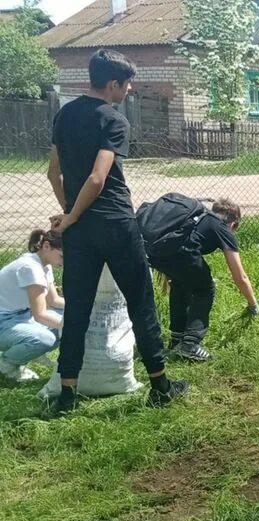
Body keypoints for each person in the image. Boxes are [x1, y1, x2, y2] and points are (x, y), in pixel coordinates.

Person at [47, 48, 188, 413]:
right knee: (141, 302)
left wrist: (68, 213)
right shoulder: (113, 120)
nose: (129, 90)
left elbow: (53, 173)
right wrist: (74, 215)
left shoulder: (63, 115)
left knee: (77, 308)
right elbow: (98, 177)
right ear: (112, 84)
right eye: (126, 84)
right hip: (114, 224)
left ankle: (66, 395)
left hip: (79, 233)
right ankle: (160, 387)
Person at [145, 197, 258, 362]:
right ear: (233, 223)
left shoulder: (198, 217)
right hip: (182, 254)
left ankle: (176, 341)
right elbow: (240, 276)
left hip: (154, 253)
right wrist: (253, 304)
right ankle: (190, 344)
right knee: (205, 289)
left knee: (180, 285)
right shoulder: (222, 228)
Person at [0, 230, 64, 382]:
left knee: (66, 321)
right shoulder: (31, 268)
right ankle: (6, 366)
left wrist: (87, 307)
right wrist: (74, 325)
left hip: (18, 317)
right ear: (46, 246)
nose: (64, 262)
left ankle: (29, 351)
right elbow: (40, 315)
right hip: (4, 321)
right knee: (44, 339)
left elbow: (54, 300)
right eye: (62, 256)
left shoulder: (43, 264)